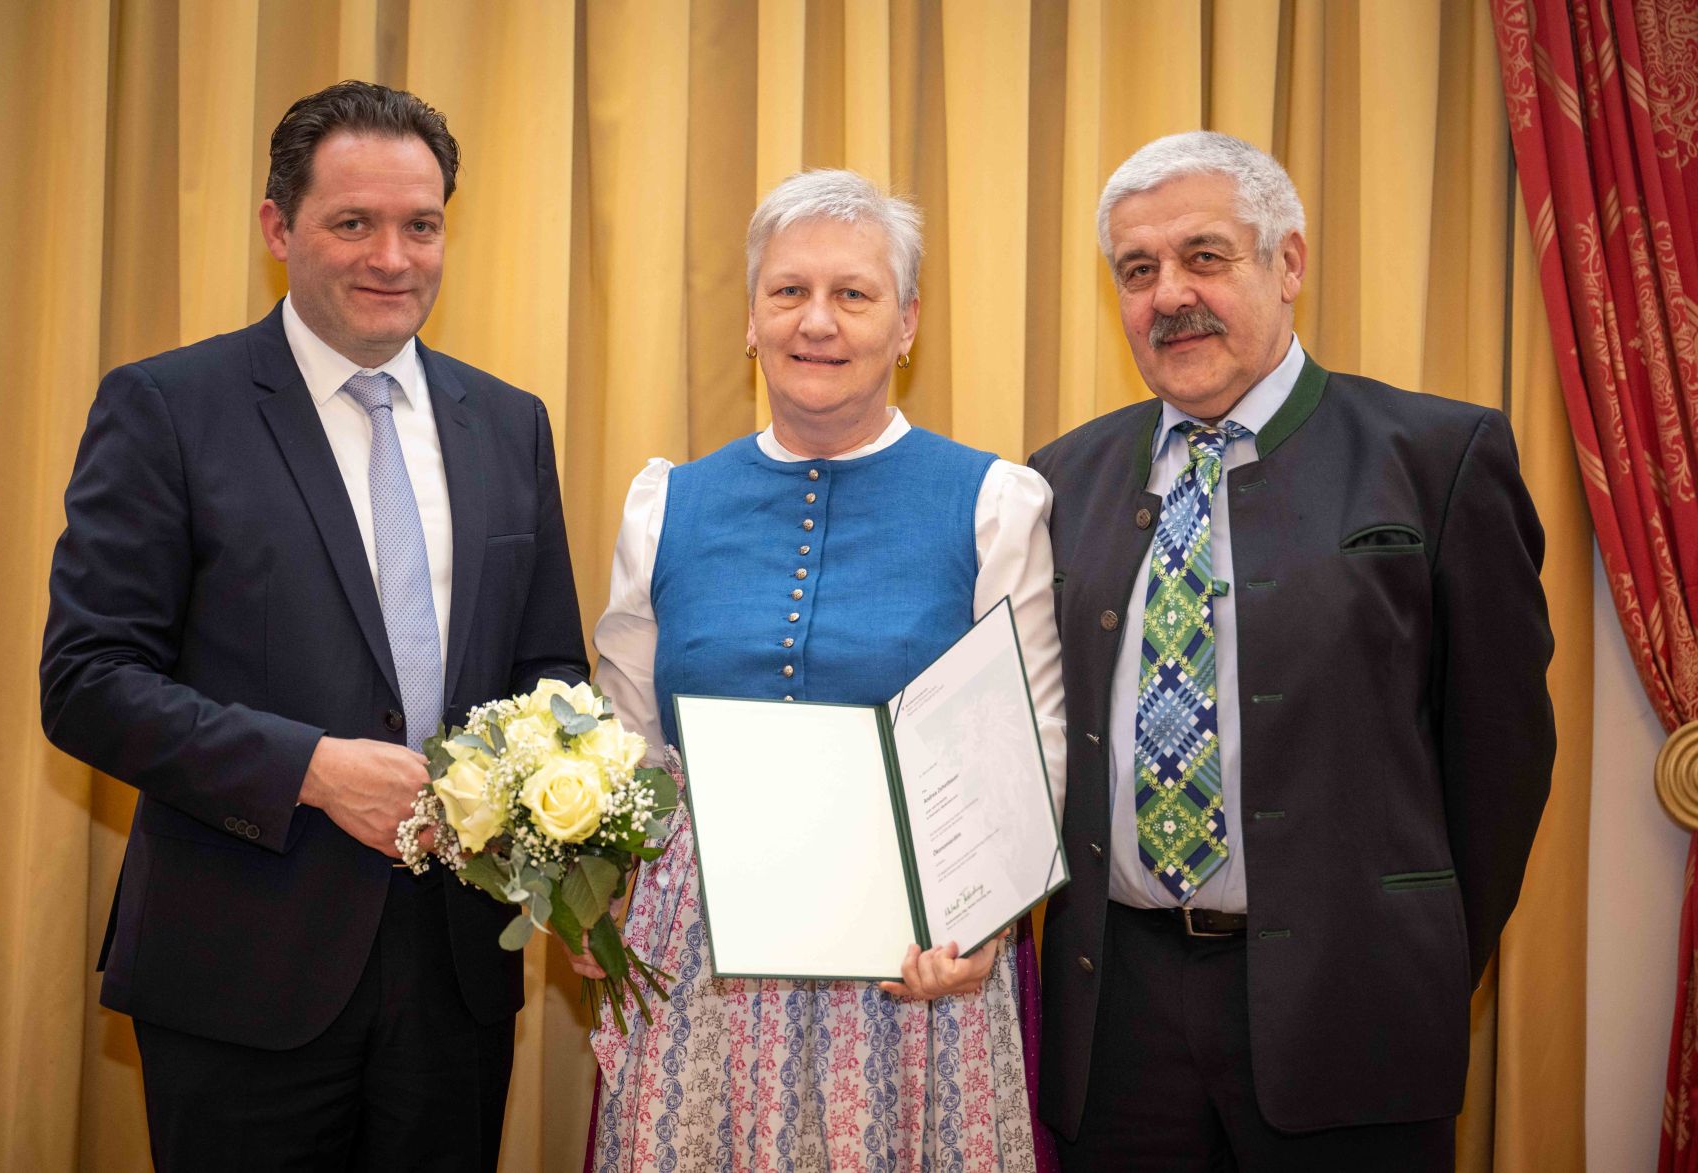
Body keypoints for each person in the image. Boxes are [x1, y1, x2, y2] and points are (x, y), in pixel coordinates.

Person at [39, 81, 587, 1171]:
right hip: (241, 968)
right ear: (278, 229)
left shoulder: (508, 423)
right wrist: (313, 770)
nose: (393, 255)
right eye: (354, 223)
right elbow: (87, 680)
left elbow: (548, 667)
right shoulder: (166, 407)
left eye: (420, 225)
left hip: (457, 975)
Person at [1031, 131, 1556, 1171]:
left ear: (1288, 263)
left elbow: (1498, 760)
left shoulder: (1436, 459)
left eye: (1204, 256)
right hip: (1118, 1022)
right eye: (1137, 272)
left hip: (1350, 1011)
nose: (1168, 295)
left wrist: (1410, 947)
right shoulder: (1059, 480)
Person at [583, 169, 1067, 1171]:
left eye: (853, 294)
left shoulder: (993, 501)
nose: (817, 322)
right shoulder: (665, 504)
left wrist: (980, 926)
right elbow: (623, 740)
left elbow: (1031, 744)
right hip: (699, 960)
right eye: (787, 292)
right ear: (750, 320)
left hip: (912, 963)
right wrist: (597, 900)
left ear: (906, 324)